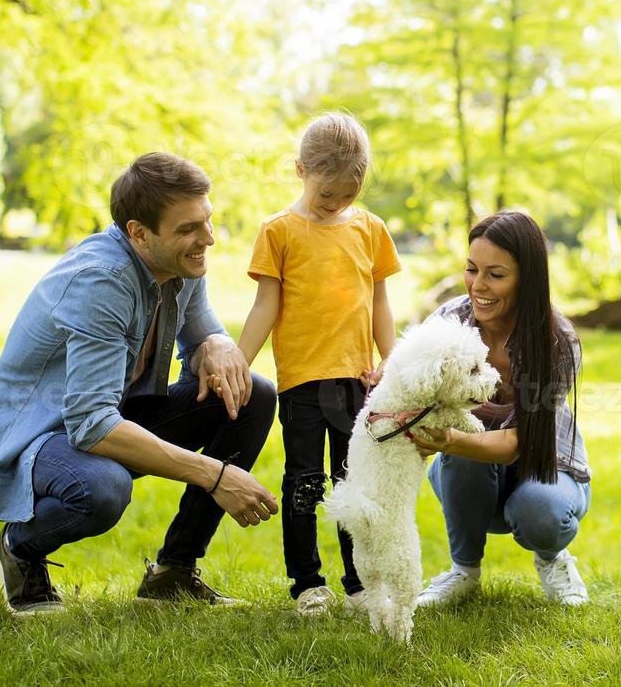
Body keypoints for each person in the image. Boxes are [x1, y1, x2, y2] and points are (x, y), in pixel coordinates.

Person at [0, 153, 279, 616]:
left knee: (253, 393)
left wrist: (214, 342)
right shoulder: (103, 281)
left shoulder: (178, 261)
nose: (208, 240)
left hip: (114, 411)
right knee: (103, 489)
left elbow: (201, 332)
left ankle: (173, 573)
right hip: (43, 436)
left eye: (207, 222)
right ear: (138, 232)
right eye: (188, 230)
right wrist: (215, 475)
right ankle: (20, 547)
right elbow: (91, 425)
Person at [236, 113, 401, 617]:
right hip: (302, 383)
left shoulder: (370, 230)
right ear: (300, 170)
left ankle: (359, 582)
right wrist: (239, 363)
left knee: (353, 483)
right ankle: (308, 582)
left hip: (358, 379)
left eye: (346, 197)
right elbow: (266, 306)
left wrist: (390, 363)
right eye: (325, 195)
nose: (335, 206)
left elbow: (379, 304)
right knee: (304, 482)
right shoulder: (279, 232)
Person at [407, 210, 592, 607]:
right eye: (472, 269)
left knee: (541, 511)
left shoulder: (557, 341)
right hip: (469, 483)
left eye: (496, 274)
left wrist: (448, 439)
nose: (478, 285)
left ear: (527, 278)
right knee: (463, 450)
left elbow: (514, 444)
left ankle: (552, 558)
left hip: (544, 467)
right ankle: (464, 571)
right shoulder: (450, 321)